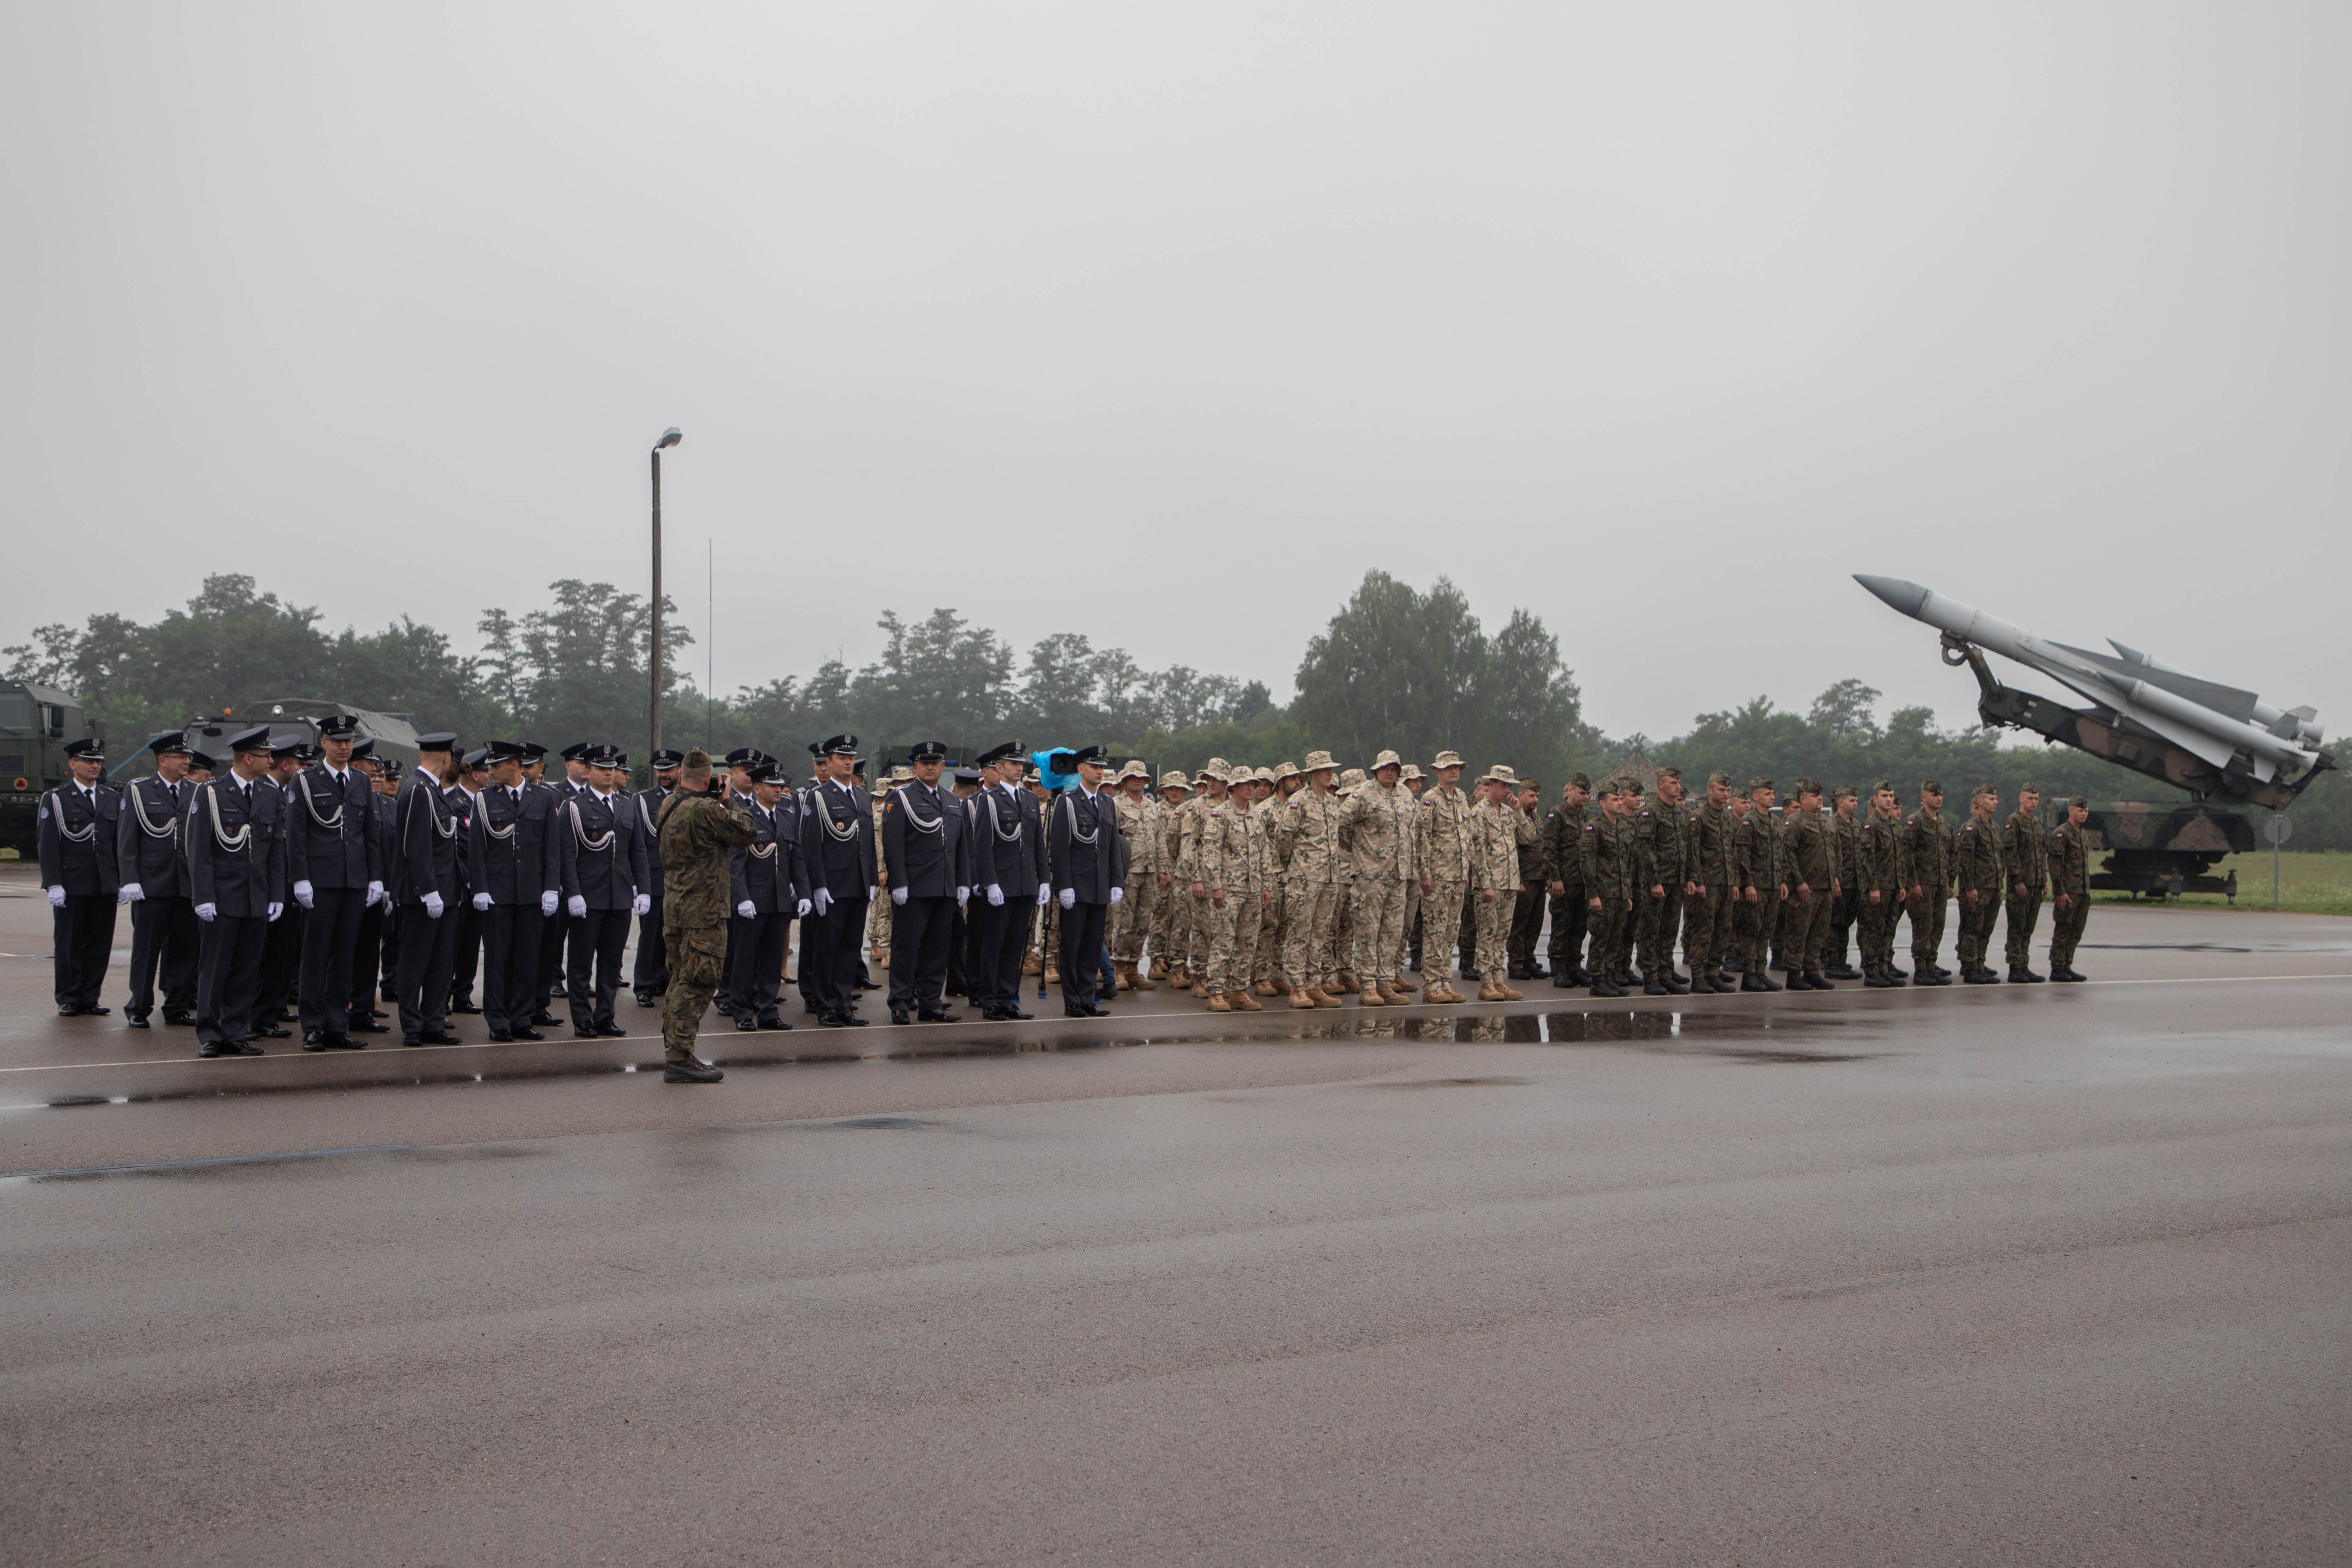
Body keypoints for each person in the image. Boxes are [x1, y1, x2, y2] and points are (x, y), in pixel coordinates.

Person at [652, 747, 756, 1082]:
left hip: (676, 909)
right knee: (697, 982)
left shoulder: (669, 805)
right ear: (709, 777)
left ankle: (676, 1050)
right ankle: (680, 1058)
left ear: (681, 775)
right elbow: (748, 833)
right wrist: (729, 799)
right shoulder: (708, 810)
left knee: (680, 979)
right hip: (705, 912)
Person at [186, 726, 286, 1056]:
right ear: (248, 758)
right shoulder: (212, 793)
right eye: (265, 755)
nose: (271, 761)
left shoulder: (270, 794)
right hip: (222, 897)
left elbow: (274, 850)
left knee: (246, 969)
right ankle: (211, 1034)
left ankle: (235, 1032)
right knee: (215, 969)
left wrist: (276, 895)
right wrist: (203, 896)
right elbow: (199, 849)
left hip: (256, 896)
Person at [285, 714, 382, 1050]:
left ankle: (337, 1024)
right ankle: (312, 1026)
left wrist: (376, 877)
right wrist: (300, 879)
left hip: (354, 881)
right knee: (315, 956)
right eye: (337, 741)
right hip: (320, 882)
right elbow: (295, 836)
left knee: (345, 957)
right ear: (323, 743)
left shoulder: (360, 781)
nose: (344, 747)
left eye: (348, 741)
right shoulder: (306, 781)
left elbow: (370, 834)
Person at [465, 741, 561, 1041]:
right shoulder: (484, 799)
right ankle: (498, 1020)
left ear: (516, 765)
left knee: (527, 957)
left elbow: (552, 848)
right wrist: (479, 888)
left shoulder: (544, 798)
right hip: (498, 891)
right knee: (497, 959)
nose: (491, 771)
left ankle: (521, 1018)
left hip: (531, 892)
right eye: (490, 766)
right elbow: (476, 849)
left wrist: (550, 888)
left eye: (497, 765)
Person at [558, 744, 651, 1038]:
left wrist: (644, 889)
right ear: (588, 771)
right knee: (581, 963)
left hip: (619, 896)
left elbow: (638, 852)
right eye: (601, 768)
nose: (609, 772)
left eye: (612, 767)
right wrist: (573, 893)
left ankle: (605, 1015)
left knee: (612, 963)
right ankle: (582, 1018)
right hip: (589, 896)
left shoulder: (627, 805)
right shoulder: (575, 806)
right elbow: (567, 854)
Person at [116, 732, 200, 1028]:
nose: (187, 761)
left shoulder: (196, 791)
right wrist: (130, 880)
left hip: (186, 884)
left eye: (188, 756)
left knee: (184, 949)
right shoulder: (139, 790)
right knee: (146, 949)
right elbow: (127, 839)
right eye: (180, 757)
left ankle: (176, 1006)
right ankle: (138, 1006)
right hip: (152, 884)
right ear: (163, 760)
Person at [798, 735, 881, 1027]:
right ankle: (826, 1006)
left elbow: (868, 842)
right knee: (827, 948)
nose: (848, 762)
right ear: (829, 762)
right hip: (832, 886)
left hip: (857, 884)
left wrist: (871, 879)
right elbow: (810, 846)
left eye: (851, 758)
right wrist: (817, 886)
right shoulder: (817, 797)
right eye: (841, 758)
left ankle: (844, 1003)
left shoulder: (861, 796)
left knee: (850, 948)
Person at [882, 741, 965, 1025]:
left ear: (943, 767)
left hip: (944, 886)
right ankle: (901, 1003)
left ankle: (931, 1003)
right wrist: (899, 882)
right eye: (924, 763)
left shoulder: (952, 800)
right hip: (914, 888)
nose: (930, 767)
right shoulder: (901, 797)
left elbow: (960, 847)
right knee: (906, 947)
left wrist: (962, 882)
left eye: (936, 762)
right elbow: (892, 844)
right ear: (915, 767)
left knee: (938, 949)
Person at [40, 736, 121, 1017]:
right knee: (69, 942)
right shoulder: (56, 798)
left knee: (99, 944)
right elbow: (48, 844)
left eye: (98, 761)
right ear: (73, 764)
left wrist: (122, 879)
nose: (94, 766)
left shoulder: (112, 798)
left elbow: (117, 843)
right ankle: (69, 996)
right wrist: (53, 883)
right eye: (88, 761)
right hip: (73, 882)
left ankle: (90, 996)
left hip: (104, 882)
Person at [393, 733, 466, 1045]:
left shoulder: (433, 790)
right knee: (415, 962)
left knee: (441, 961)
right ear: (446, 757)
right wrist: (428, 890)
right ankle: (412, 1024)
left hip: (446, 892)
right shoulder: (418, 790)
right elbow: (415, 845)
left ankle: (433, 1021)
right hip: (425, 895)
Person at [1049, 745, 1130, 1017]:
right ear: (1080, 769)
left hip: (1099, 886)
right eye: (1094, 767)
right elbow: (1059, 847)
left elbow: (1112, 848)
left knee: (1093, 945)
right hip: (1077, 885)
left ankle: (1087, 997)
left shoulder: (1107, 803)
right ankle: (1072, 1000)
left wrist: (1116, 881)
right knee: (1072, 945)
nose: (1099, 771)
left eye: (1102, 767)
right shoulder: (1068, 801)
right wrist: (1064, 884)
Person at [728, 759, 810, 1030]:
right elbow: (735, 862)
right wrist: (741, 897)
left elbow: (796, 858)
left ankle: (768, 1010)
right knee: (745, 957)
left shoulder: (787, 815)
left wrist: (804, 893)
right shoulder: (744, 816)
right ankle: (741, 1010)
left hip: (779, 900)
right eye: (773, 786)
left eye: (781, 786)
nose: (779, 790)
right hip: (753, 900)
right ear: (758, 788)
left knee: (773, 957)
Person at [1338, 749, 1416, 1006]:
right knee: (1368, 933)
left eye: (1394, 767)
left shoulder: (1406, 795)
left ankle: (1385, 983)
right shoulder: (1363, 794)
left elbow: (1412, 831)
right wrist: (1357, 853)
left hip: (1398, 875)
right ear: (1375, 770)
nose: (1389, 771)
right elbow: (1341, 824)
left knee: (1392, 931)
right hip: (1369, 875)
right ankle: (1368, 985)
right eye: (1385, 767)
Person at [1278, 751, 1348, 1008]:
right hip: (1304, 878)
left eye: (1331, 769)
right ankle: (1296, 986)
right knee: (1300, 933)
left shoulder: (1331, 803)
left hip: (1329, 879)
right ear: (1312, 774)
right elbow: (1283, 838)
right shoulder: (1298, 802)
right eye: (1325, 770)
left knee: (1320, 934)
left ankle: (1313, 984)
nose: (1330, 773)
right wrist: (1294, 866)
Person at [1631, 766, 1693, 995]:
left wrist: (1689, 878)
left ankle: (1666, 973)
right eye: (1672, 783)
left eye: (1678, 783)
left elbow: (1687, 849)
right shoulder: (1651, 812)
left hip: (1676, 881)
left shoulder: (1680, 813)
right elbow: (1646, 850)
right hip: (1658, 882)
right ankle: (1651, 976)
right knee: (1651, 930)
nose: (1677, 786)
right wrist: (1654, 881)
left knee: (1669, 930)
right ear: (1660, 785)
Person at [631, 748, 684, 1007]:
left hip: (681, 880)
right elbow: (637, 843)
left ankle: (664, 978)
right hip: (652, 879)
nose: (664, 775)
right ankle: (643, 984)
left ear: (679, 771)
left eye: (669, 769)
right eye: (660, 770)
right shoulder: (642, 800)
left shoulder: (687, 798)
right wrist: (637, 883)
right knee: (650, 935)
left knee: (674, 934)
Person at [1469, 765, 1526, 1002]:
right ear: (1491, 784)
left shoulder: (1507, 811)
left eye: (1510, 786)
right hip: (1490, 883)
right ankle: (1486, 983)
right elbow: (1477, 849)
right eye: (1503, 785)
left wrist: (1519, 811)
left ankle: (1498, 980)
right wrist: (1485, 884)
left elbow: (1528, 837)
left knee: (1503, 935)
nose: (1507, 790)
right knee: (1487, 934)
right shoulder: (1479, 812)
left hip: (1510, 882)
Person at [1780, 780, 1840, 990]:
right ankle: (1794, 974)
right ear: (1803, 799)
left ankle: (1812, 971)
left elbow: (1835, 852)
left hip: (1825, 887)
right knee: (1799, 932)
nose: (1819, 798)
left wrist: (1836, 878)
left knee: (1819, 934)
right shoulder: (1795, 822)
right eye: (1814, 796)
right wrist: (1799, 882)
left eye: (1820, 795)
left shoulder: (1828, 822)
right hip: (1805, 889)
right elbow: (1788, 855)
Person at [1681, 772, 1737, 994]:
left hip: (1725, 882)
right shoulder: (1699, 817)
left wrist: (1734, 882)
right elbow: (1692, 851)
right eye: (1722, 790)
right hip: (1708, 883)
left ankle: (1714, 972)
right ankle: (1698, 976)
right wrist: (1697, 880)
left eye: (1728, 791)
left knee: (1723, 929)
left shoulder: (1727, 818)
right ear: (1710, 790)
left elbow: (1732, 853)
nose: (1725, 795)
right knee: (1704, 929)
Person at [1109, 760, 1161, 991]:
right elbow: (1111, 842)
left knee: (1143, 923)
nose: (1137, 781)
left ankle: (1133, 969)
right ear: (1125, 781)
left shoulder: (1152, 807)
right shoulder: (1116, 805)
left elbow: (1159, 840)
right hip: (1127, 873)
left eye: (1140, 777)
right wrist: (1117, 872)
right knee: (1123, 922)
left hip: (1149, 872)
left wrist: (1164, 869)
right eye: (1132, 777)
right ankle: (1118, 968)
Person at [1578, 780, 1634, 998]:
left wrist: (1627, 894)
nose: (1620, 803)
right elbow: (1587, 862)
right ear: (1603, 803)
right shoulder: (1595, 828)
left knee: (1615, 939)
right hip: (1602, 893)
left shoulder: (1622, 826)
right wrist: (1593, 894)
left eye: (1621, 799)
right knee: (1601, 938)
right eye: (1615, 799)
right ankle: (1598, 980)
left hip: (1619, 894)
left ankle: (1610, 977)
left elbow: (1626, 864)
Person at [444, 749, 489, 1016]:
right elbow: (462, 846)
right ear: (475, 774)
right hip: (460, 884)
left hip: (479, 886)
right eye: (486, 771)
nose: (490, 776)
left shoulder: (483, 802)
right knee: (452, 944)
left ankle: (463, 994)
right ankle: (444, 996)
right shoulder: (454, 801)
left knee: (472, 943)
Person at [1733, 777, 1788, 992]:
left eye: (1772, 794)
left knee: (1766, 932)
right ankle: (1749, 975)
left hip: (1773, 886)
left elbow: (1780, 854)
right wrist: (1748, 884)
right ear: (1755, 797)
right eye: (1767, 794)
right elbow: (1743, 855)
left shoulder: (1775, 822)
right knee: (1751, 931)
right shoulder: (1749, 822)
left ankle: (1761, 973)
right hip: (1756, 886)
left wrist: (1782, 880)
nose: (1772, 797)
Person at [1857, 781, 1911, 988]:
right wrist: (1873, 887)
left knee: (1888, 930)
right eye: (1884, 796)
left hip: (1893, 887)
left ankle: (1884, 967)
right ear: (1875, 799)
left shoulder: (1894, 826)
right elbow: (1867, 859)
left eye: (1891, 796)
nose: (1889, 800)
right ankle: (1872, 972)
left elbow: (1898, 859)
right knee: (1874, 930)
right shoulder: (1872, 825)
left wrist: (1901, 885)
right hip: (1878, 888)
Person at [1902, 781, 1956, 985]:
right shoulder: (1915, 821)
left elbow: (1951, 854)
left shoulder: (1944, 824)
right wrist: (1913, 883)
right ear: (1924, 797)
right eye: (1934, 795)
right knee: (1923, 926)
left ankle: (1931, 964)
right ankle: (1921, 968)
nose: (1939, 798)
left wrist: (1950, 882)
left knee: (1938, 925)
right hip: (1923, 884)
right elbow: (1907, 855)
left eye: (1941, 795)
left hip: (1940, 884)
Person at [1539, 774, 1591, 988]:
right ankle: (1559, 969)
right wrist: (1555, 879)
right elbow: (1549, 849)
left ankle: (1574, 966)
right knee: (1562, 925)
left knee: (1579, 927)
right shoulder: (1557, 814)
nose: (1585, 797)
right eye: (1582, 793)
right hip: (1564, 881)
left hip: (1582, 882)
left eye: (1588, 794)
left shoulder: (1586, 815)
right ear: (1571, 790)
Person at [1953, 783, 2007, 984]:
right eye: (1992, 800)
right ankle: (1969, 966)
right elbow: (1965, 862)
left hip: (1993, 887)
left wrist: (1999, 884)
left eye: (1996, 799)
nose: (1996, 803)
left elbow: (1998, 858)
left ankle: (1979, 963)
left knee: (1986, 929)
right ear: (1980, 802)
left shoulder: (1994, 828)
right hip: (1977, 888)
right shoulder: (1971, 829)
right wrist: (1970, 888)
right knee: (1972, 929)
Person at [2002, 782, 2049, 983]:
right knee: (2017, 927)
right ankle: (2015, 967)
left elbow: (2041, 854)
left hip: (2036, 884)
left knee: (2028, 929)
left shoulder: (2037, 824)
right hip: (2021, 886)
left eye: (2036, 799)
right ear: (2021, 799)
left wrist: (2044, 881)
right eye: (2030, 798)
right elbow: (2010, 853)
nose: (2034, 802)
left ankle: (2024, 965)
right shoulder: (2014, 821)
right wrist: (2017, 881)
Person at [2047, 796, 2093, 982]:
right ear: (2071, 811)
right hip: (2068, 891)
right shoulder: (2062, 834)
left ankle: (2067, 965)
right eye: (2080, 811)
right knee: (2063, 929)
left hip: (2082, 891)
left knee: (2076, 931)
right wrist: (2060, 891)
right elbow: (2055, 864)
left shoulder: (2082, 834)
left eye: (2086, 811)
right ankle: (2057, 967)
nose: (2083, 814)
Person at [1822, 785, 1864, 980]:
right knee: (1834, 924)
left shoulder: (1856, 826)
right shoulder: (1832, 825)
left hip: (1854, 883)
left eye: (1856, 801)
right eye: (1851, 801)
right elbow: (1830, 856)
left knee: (1846, 923)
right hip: (1840, 882)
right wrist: (1835, 880)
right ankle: (1831, 963)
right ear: (1840, 803)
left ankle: (1842, 961)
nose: (1855, 804)